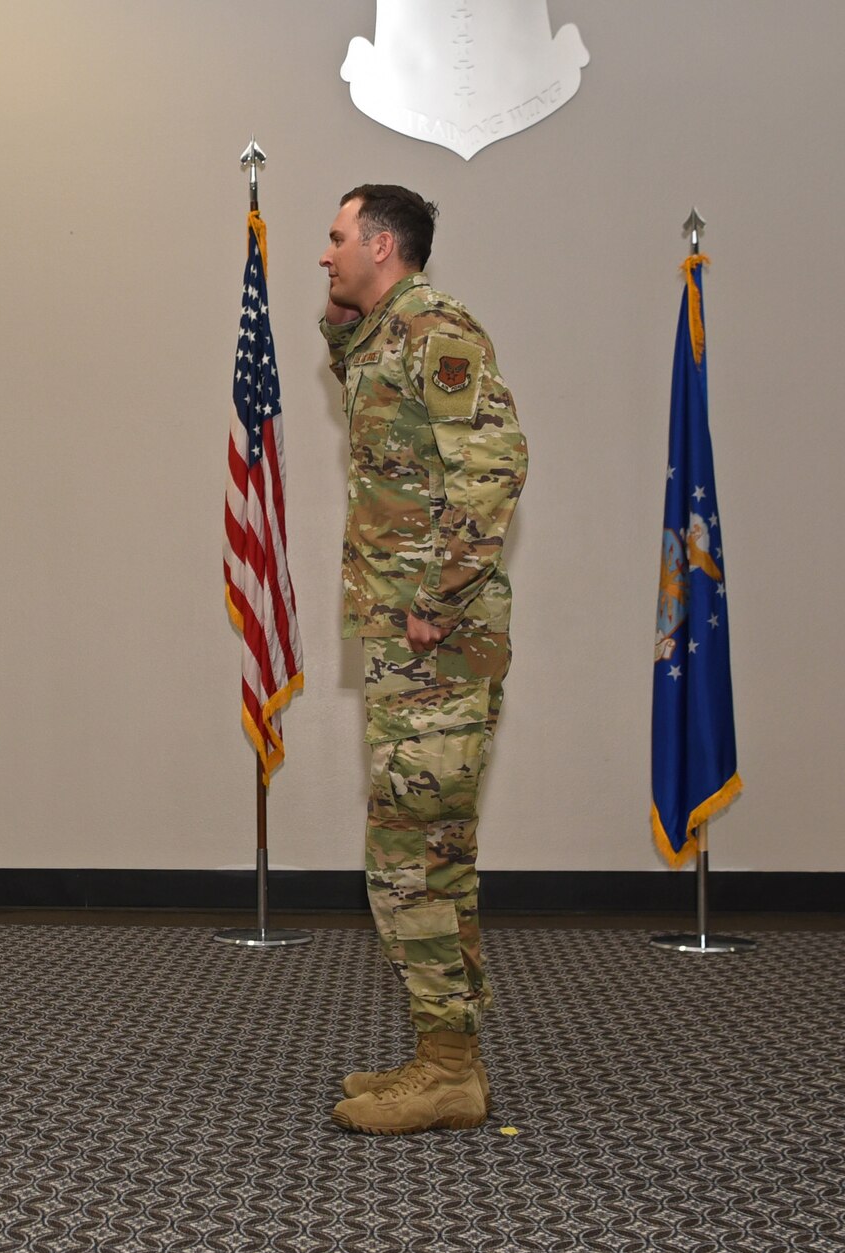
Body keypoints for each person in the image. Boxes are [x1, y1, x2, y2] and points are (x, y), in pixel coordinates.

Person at [318, 184, 528, 1134]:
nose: (326, 256)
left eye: (336, 239)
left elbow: (495, 464)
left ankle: (451, 1070)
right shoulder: (387, 332)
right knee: (412, 848)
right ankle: (441, 1053)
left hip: (437, 645)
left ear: (384, 243)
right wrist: (340, 308)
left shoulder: (439, 329)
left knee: (420, 855)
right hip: (410, 644)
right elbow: (350, 361)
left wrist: (436, 604)